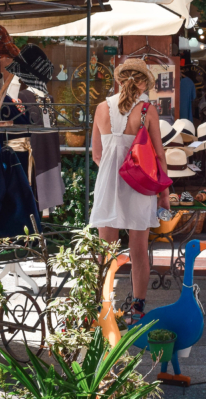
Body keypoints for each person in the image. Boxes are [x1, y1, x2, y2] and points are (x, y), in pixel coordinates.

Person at [89, 58, 171, 323]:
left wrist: (114, 170)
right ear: (143, 82)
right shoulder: (148, 110)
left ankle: (104, 304)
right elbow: (158, 155)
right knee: (138, 250)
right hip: (139, 184)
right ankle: (137, 308)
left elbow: (97, 155)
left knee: (106, 250)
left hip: (108, 185)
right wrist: (164, 194)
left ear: (119, 80)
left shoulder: (101, 108)